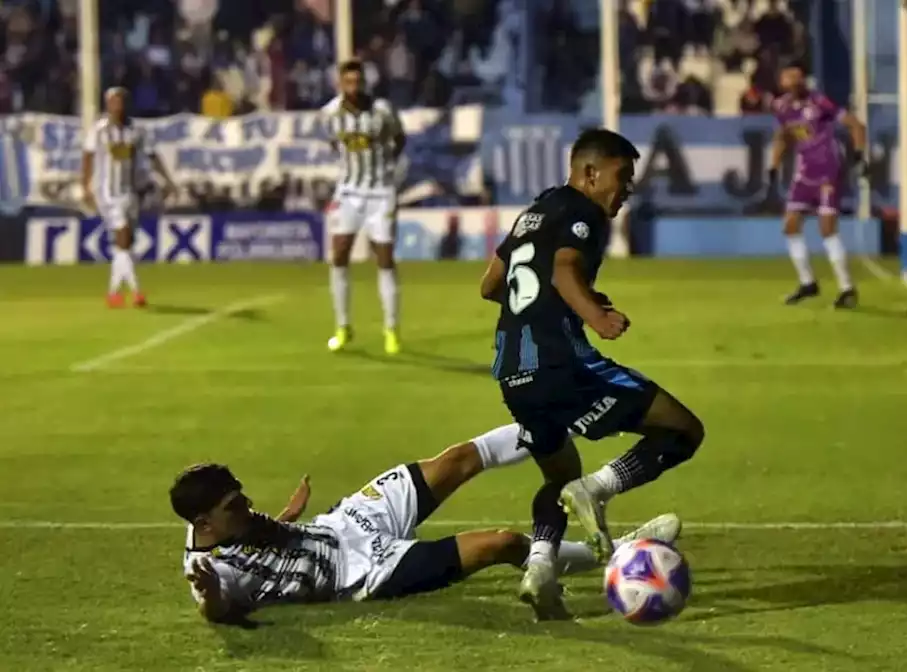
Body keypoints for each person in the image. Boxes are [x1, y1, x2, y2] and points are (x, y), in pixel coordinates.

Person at [479, 128, 706, 621]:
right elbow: (562, 269)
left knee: (557, 473)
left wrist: (549, 304)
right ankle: (599, 488)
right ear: (589, 173)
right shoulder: (583, 213)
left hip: (512, 370)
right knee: (683, 430)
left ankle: (540, 567)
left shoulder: (534, 212)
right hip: (563, 363)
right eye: (621, 177)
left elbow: (491, 284)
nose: (626, 188)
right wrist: (595, 317)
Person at [175, 423, 681, 623]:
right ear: (205, 523)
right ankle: (611, 556)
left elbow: (260, 534)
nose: (244, 508)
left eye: (241, 500)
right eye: (233, 508)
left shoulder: (221, 518)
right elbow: (217, 610)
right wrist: (211, 598)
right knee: (503, 544)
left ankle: (547, 421)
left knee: (458, 459)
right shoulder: (210, 571)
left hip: (346, 522)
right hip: (363, 572)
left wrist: (289, 516)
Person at [321, 59, 406, 355]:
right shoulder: (330, 114)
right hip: (348, 192)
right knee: (339, 254)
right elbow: (334, 144)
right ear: (340, 84)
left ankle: (391, 328)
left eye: (358, 81)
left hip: (381, 192)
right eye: (348, 82)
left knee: (384, 257)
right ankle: (343, 326)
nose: (353, 87)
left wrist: (385, 168)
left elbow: (400, 138)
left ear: (364, 83)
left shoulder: (382, 111)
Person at [767, 62, 867, 309]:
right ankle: (807, 283)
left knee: (827, 229)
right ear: (782, 83)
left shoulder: (820, 102)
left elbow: (855, 124)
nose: (794, 80)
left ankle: (847, 289)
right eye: (789, 76)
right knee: (790, 225)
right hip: (804, 173)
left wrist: (858, 155)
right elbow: (783, 136)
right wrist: (773, 166)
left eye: (797, 76)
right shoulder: (781, 107)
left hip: (828, 172)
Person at [81, 87, 179, 309]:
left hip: (130, 192)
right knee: (123, 236)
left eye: (122, 101)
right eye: (114, 102)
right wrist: (85, 187)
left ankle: (113, 293)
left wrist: (169, 181)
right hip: (107, 192)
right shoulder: (98, 130)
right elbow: (87, 157)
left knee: (125, 245)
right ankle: (136, 292)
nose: (118, 106)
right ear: (107, 105)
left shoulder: (137, 131)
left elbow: (153, 156)